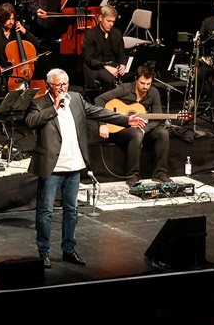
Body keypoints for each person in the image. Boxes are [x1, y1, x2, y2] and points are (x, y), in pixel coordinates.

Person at [25, 68, 145, 268]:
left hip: (73, 165)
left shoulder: (76, 98)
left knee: (71, 210)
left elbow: (98, 111)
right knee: (45, 212)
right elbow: (30, 122)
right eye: (58, 85)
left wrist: (126, 120)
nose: (63, 88)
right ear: (49, 86)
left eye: (65, 84)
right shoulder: (39, 103)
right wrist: (54, 108)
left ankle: (69, 249)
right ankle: (43, 251)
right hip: (52, 167)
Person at [95, 64, 170, 186]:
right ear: (136, 79)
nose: (145, 87)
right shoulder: (125, 88)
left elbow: (158, 118)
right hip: (119, 129)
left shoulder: (154, 93)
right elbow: (99, 100)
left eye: (148, 84)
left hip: (140, 129)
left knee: (163, 132)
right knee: (136, 134)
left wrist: (145, 129)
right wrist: (102, 124)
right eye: (142, 83)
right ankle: (132, 176)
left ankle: (160, 173)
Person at [82, 4, 129, 91]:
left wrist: (123, 64)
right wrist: (106, 66)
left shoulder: (117, 33)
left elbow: (121, 53)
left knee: (134, 75)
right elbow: (89, 59)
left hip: (114, 65)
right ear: (100, 18)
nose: (111, 24)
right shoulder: (91, 35)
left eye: (113, 22)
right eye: (108, 21)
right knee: (109, 78)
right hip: (97, 68)